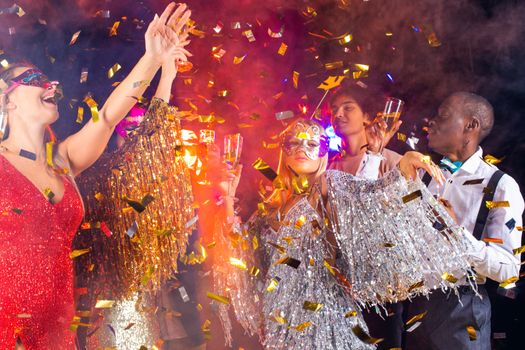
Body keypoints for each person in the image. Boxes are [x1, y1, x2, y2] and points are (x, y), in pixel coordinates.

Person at [0, 2, 191, 348]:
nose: (50, 83)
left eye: (48, 78)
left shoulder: (62, 161)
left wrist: (152, 58)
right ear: (6, 101)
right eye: (33, 78)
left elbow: (107, 117)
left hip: (58, 334)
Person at [210, 118, 473, 349]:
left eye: (312, 144)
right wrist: (228, 197)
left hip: (327, 323)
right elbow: (244, 260)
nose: (302, 148)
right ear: (284, 151)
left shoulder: (332, 187)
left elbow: (372, 196)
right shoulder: (270, 206)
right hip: (283, 329)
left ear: (323, 151)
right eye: (294, 142)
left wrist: (404, 167)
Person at [402, 92, 524, 350]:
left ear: (471, 125)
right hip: (417, 307)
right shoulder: (424, 177)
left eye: (443, 115)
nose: (431, 122)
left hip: (464, 308)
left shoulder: (499, 186)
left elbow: (509, 268)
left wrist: (456, 233)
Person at [328, 83, 402, 178]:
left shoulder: (391, 162)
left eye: (348, 108)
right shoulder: (330, 165)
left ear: (367, 117)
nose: (337, 114)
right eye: (334, 110)